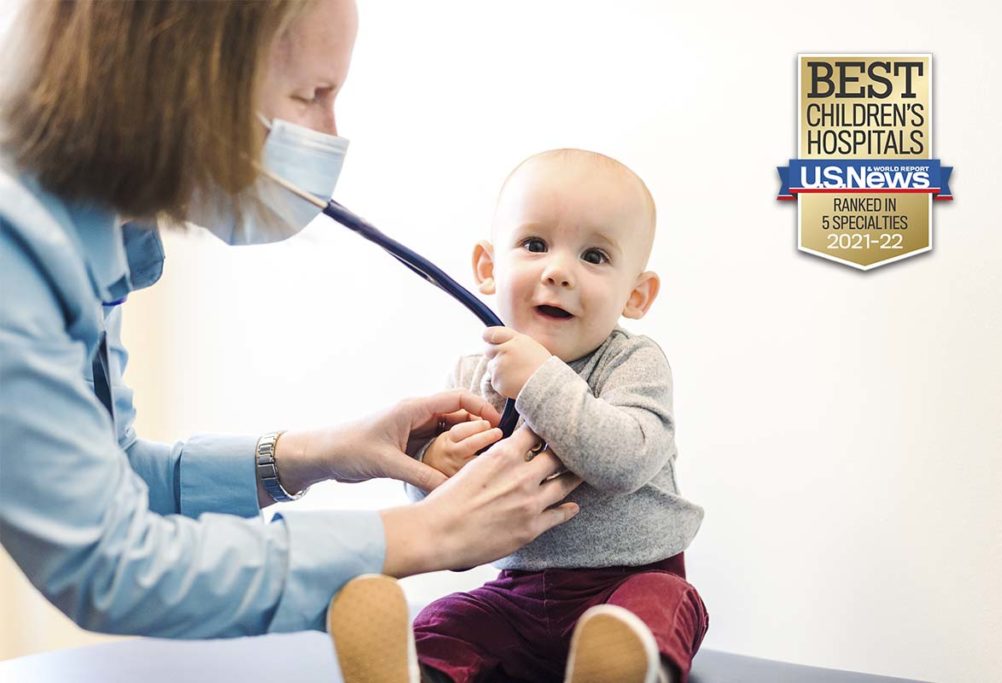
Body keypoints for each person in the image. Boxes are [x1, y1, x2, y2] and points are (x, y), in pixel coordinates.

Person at [0, 0, 581, 639]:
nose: (328, 135)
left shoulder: (92, 243)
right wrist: (427, 533)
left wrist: (318, 455)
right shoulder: (14, 257)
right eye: (311, 94)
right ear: (187, 79)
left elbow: (117, 480)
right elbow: (112, 564)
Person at [331, 149, 709, 682]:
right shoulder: (470, 374)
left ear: (637, 294)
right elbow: (442, 518)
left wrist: (539, 378)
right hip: (517, 594)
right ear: (487, 269)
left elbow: (625, 460)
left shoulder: (632, 362)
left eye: (595, 256)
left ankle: (624, 668)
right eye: (535, 245)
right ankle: (412, 672)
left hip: (632, 577)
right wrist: (437, 465)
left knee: (658, 610)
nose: (558, 272)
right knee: (450, 621)